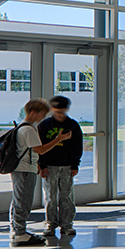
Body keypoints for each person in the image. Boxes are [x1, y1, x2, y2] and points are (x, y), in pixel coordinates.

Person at [9, 98, 71, 246]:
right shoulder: (28, 130)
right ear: (33, 112)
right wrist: (58, 139)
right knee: (23, 201)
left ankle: (17, 229)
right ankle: (20, 233)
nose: (43, 117)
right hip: (25, 170)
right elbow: (40, 149)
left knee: (18, 199)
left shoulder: (22, 127)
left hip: (21, 169)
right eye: (42, 114)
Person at [38, 95, 83, 238]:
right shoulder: (44, 125)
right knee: (50, 196)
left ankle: (67, 224)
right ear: (52, 110)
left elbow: (77, 147)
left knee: (66, 196)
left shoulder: (73, 125)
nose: (60, 115)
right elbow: (40, 147)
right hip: (50, 166)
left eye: (62, 112)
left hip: (67, 166)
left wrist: (75, 165)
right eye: (57, 112)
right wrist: (42, 165)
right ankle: (50, 223)